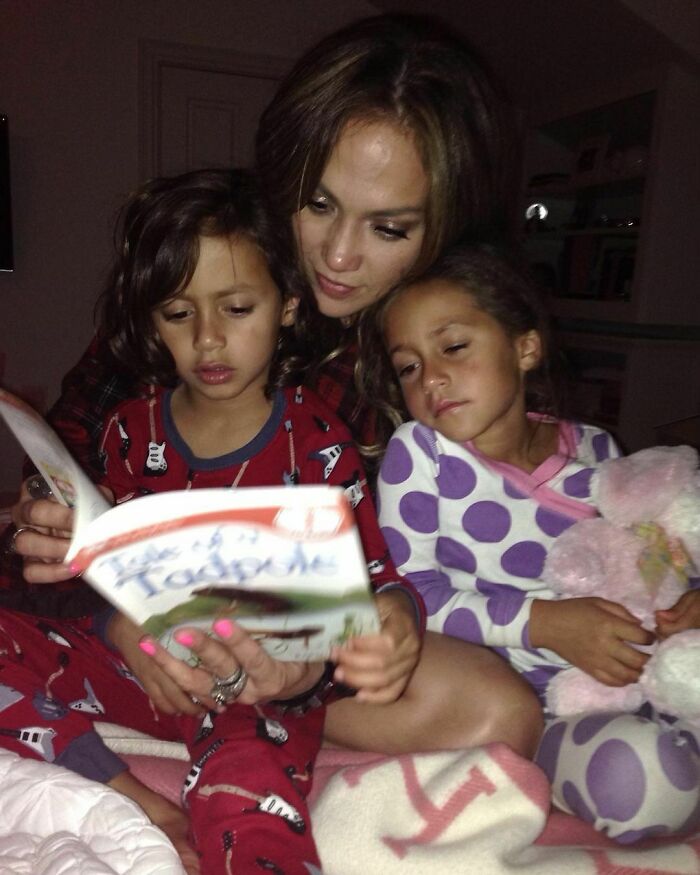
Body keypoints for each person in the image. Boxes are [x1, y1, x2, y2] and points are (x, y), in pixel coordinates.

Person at [9, 12, 542, 758]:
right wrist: (104, 602)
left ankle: (235, 713)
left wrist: (386, 625)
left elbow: (450, 554)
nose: (339, 255)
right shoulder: (194, 291)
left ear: (441, 230)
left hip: (308, 648)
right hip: (144, 618)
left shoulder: (435, 349)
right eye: (318, 204)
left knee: (500, 711)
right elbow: (64, 475)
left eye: (389, 228)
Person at [0, 167, 428, 875]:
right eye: (177, 314)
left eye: (236, 308)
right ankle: (129, 794)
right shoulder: (130, 430)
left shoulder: (319, 442)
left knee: (251, 802)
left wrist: (396, 617)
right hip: (142, 670)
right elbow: (107, 567)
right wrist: (105, 596)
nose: (206, 340)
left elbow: (379, 579)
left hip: (257, 692)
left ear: (288, 304)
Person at [368, 243, 700, 842]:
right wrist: (543, 624)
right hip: (536, 708)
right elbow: (413, 595)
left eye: (453, 347)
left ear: (524, 348)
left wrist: (684, 606)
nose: (432, 377)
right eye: (409, 367)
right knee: (644, 783)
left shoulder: (599, 451)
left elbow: (654, 556)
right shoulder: (421, 453)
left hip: (645, 676)